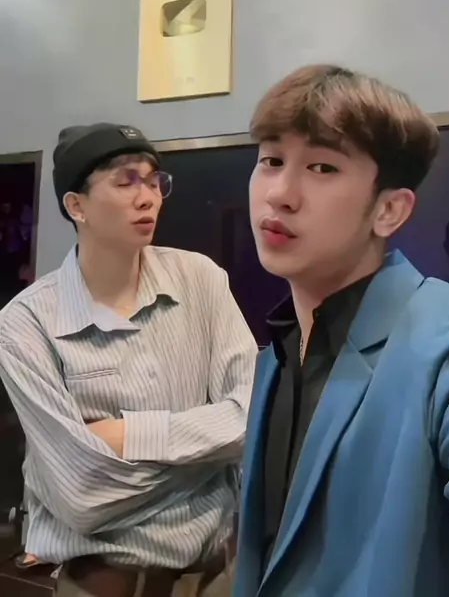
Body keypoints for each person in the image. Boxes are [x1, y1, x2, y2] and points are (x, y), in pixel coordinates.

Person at [234, 64, 449, 597]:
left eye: (322, 167)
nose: (280, 194)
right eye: (271, 160)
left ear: (388, 209)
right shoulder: (276, 355)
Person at [0, 123, 257, 597]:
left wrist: (128, 435)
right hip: (101, 585)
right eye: (126, 182)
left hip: (216, 578)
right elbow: (80, 495)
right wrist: (209, 457)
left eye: (155, 181)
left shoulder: (200, 279)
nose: (148, 197)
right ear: (76, 206)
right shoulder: (26, 322)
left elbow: (252, 416)